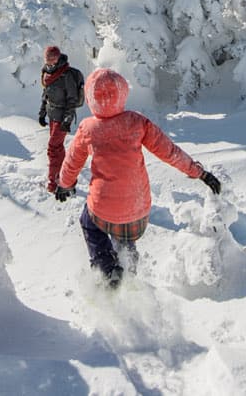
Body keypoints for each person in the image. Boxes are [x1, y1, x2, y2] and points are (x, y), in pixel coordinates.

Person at [55, 68, 221, 287]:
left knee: (89, 222)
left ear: (90, 97)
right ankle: (129, 272)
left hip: (102, 209)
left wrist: (64, 184)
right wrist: (200, 173)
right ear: (123, 93)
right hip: (137, 209)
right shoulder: (136, 122)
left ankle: (106, 268)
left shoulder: (88, 129)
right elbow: (169, 152)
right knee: (125, 238)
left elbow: (72, 163)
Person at [38, 45, 85, 193]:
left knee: (53, 148)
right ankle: (67, 178)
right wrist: (42, 112)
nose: (50, 61)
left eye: (53, 58)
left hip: (63, 117)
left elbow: (72, 100)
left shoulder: (66, 75)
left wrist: (67, 119)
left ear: (58, 58)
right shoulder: (46, 72)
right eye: (48, 59)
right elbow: (46, 94)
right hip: (52, 114)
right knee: (58, 149)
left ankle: (53, 183)